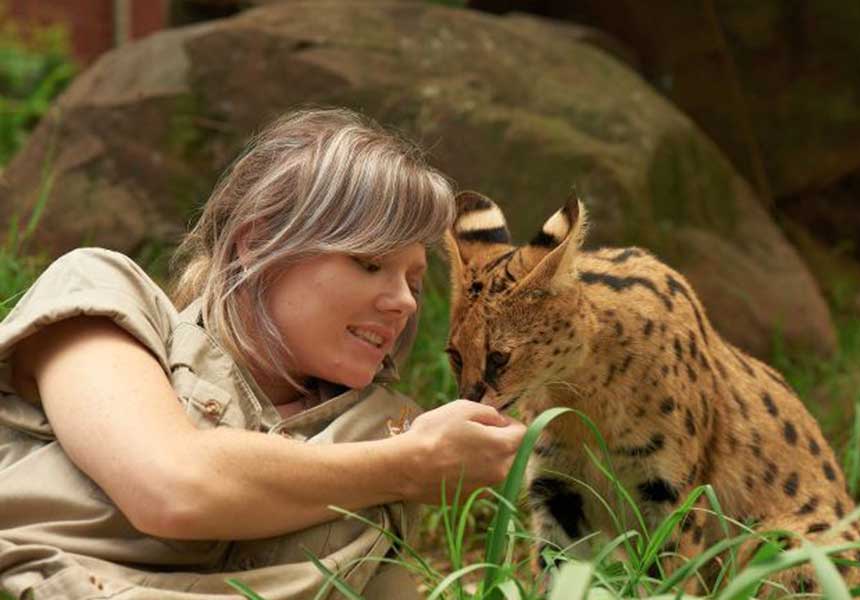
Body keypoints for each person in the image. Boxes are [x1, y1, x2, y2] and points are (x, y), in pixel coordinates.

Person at [0, 108, 526, 599]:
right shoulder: (103, 296)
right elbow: (174, 488)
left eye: (414, 280)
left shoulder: (386, 430)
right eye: (370, 264)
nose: (405, 302)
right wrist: (408, 465)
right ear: (258, 243)